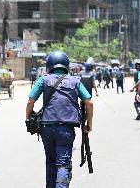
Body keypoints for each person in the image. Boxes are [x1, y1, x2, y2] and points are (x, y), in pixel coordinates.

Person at [26, 51, 93, 188]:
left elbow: (30, 101)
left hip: (46, 129)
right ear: (66, 65)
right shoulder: (75, 81)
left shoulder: (43, 80)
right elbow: (89, 102)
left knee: (51, 161)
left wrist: (28, 118)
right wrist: (89, 124)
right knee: (63, 163)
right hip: (66, 129)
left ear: (49, 65)